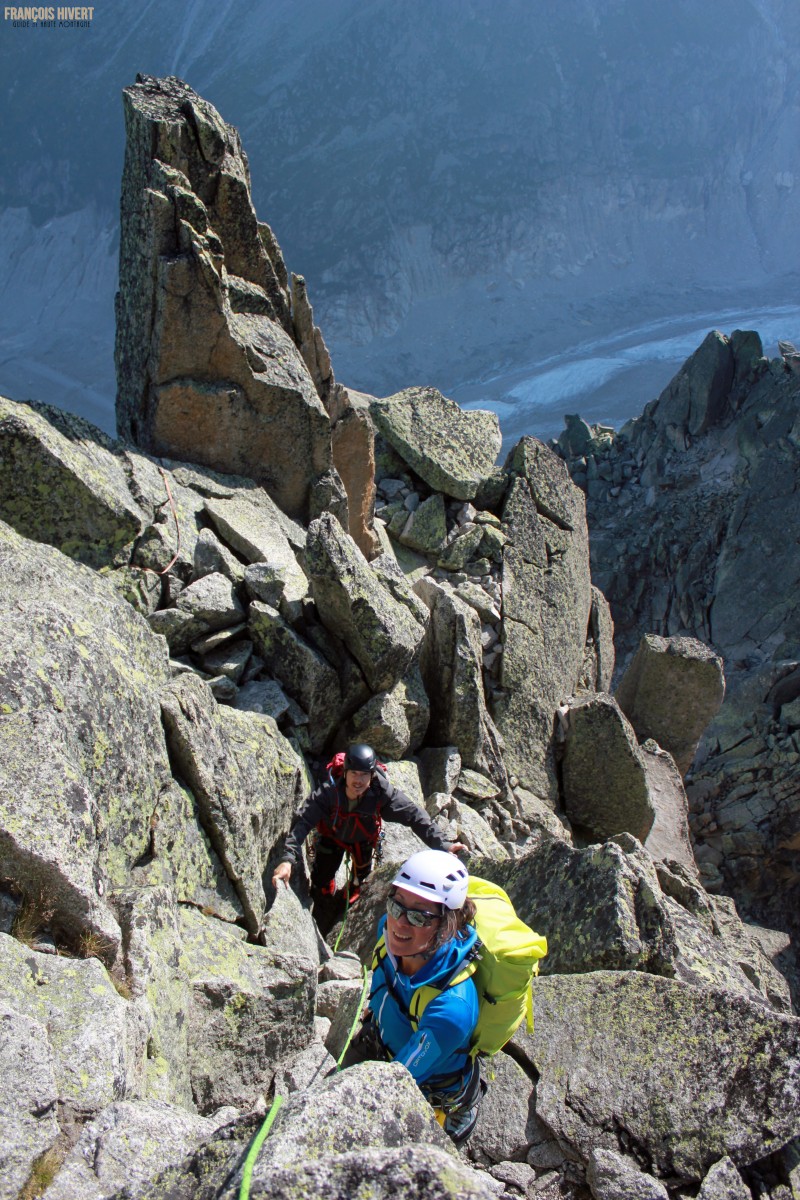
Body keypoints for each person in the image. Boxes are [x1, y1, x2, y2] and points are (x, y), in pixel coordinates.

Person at [358, 849, 485, 1146]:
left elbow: (397, 1080)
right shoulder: (389, 933)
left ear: (446, 924)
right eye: (396, 906)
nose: (400, 924)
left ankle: (460, 1114)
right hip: (387, 1039)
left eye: (419, 916)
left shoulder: (452, 1008)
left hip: (432, 1090)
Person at [271, 744, 466, 903]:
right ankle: (324, 892)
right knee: (322, 876)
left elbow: (414, 815)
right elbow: (302, 824)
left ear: (372, 774)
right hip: (332, 838)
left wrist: (443, 845)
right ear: (345, 772)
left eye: (364, 774)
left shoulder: (380, 792)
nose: (358, 780)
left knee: (361, 874)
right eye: (354, 773)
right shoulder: (328, 795)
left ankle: (353, 889)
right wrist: (287, 860)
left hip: (362, 841)